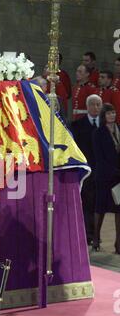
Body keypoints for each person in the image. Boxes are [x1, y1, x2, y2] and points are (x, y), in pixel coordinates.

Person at [71, 94, 102, 244]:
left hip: (103, 173)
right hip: (87, 171)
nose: (96, 107)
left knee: (101, 206)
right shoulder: (77, 126)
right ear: (88, 106)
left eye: (98, 105)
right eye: (93, 104)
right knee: (88, 205)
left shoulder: (107, 124)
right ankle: (88, 235)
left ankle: (97, 236)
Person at [93, 104, 120, 253]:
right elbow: (99, 158)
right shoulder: (98, 133)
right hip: (104, 176)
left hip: (118, 177)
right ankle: (96, 239)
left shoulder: (119, 129)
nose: (112, 116)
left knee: (118, 209)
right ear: (104, 116)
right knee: (100, 208)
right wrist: (113, 171)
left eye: (114, 113)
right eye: (109, 113)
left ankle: (118, 244)